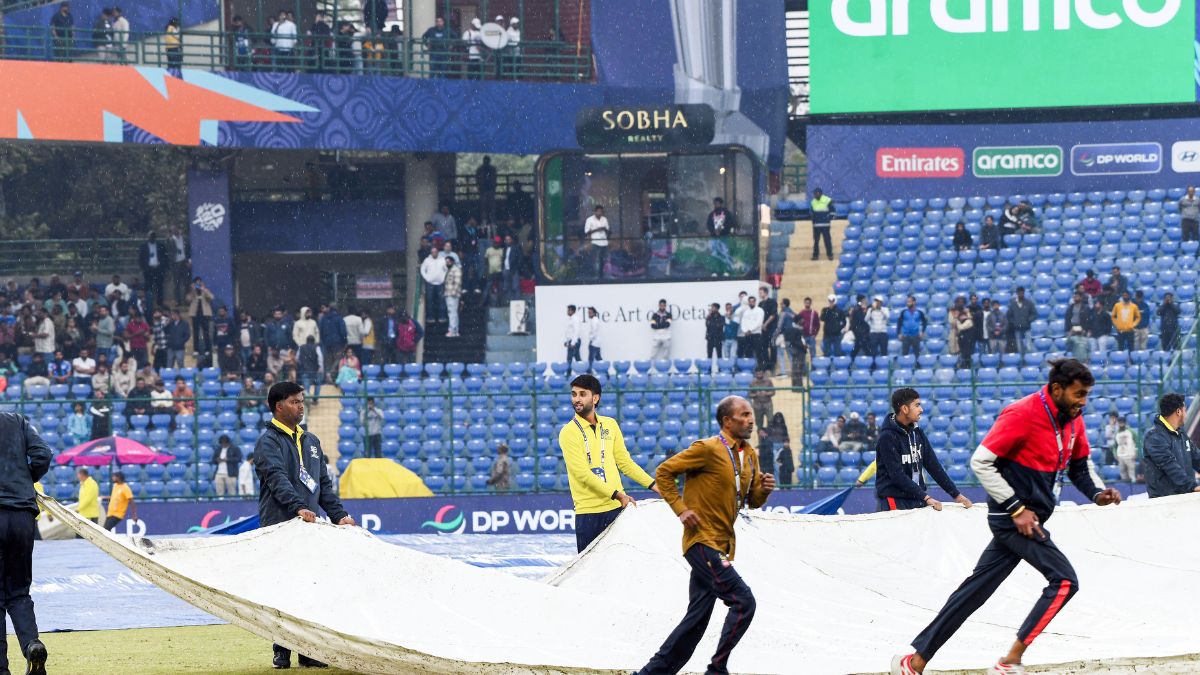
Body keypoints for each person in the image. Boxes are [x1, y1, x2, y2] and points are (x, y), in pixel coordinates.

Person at [890, 359, 1122, 675]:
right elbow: (981, 462)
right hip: (1012, 520)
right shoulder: (1022, 413)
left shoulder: (1073, 419)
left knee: (973, 592)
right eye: (1078, 394)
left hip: (1029, 519)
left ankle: (914, 662)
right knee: (1065, 581)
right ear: (1057, 389)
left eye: (1086, 395)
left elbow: (1080, 467)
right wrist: (1017, 509)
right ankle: (1010, 661)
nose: (1083, 402)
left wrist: (1097, 493)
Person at [638, 395, 774, 675]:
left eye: (751, 414)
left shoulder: (750, 455)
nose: (751, 420)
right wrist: (681, 510)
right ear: (727, 421)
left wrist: (764, 490)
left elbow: (751, 501)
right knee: (743, 601)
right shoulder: (708, 449)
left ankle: (651, 673)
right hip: (701, 541)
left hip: (721, 545)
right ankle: (717, 669)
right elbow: (664, 472)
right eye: (744, 415)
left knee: (696, 620)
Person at [255, 381, 355, 669]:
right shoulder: (268, 442)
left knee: (312, 588)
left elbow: (323, 485)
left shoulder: (311, 441)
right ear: (278, 406)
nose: (301, 406)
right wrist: (297, 506)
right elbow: (276, 479)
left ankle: (310, 650)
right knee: (284, 588)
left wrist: (339, 515)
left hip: (310, 529)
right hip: (280, 526)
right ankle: (282, 649)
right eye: (295, 401)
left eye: (302, 401)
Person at [557, 374, 658, 553]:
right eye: (574, 394)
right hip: (589, 513)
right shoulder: (568, 432)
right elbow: (582, 474)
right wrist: (618, 495)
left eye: (582, 394)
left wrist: (654, 485)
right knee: (590, 568)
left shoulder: (610, 425)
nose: (576, 399)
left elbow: (625, 463)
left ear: (595, 398)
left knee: (623, 564)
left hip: (616, 509)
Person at [0, 410, 50, 675]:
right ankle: (32, 645)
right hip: (22, 514)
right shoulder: (17, 420)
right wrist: (24, 479)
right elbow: (43, 455)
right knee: (19, 591)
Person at [874, 388, 973, 512]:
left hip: (917, 499)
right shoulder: (887, 437)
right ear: (905, 409)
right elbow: (897, 475)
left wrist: (956, 495)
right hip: (895, 500)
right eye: (917, 405)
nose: (921, 409)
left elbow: (934, 466)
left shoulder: (918, 433)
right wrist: (926, 498)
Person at [1142, 393, 1200, 498]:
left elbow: (1197, 458)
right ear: (1178, 412)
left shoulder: (1181, 434)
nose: (1186, 413)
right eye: (1185, 410)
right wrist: (1192, 487)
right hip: (1164, 501)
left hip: (1186, 497)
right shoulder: (1154, 437)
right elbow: (1170, 466)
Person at [896, 296, 927, 365]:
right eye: (907, 302)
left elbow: (925, 322)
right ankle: (905, 367)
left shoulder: (919, 312)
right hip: (905, 336)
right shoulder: (903, 312)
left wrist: (922, 331)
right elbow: (899, 323)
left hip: (916, 336)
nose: (907, 303)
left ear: (914, 302)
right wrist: (899, 333)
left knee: (917, 354)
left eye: (909, 302)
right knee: (905, 354)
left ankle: (918, 367)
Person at [1005, 287, 1035, 354]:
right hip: (1017, 328)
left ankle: (1029, 357)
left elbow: (1034, 314)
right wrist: (1014, 322)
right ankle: (1021, 358)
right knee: (1019, 346)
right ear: (1017, 294)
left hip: (1027, 327)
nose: (1021, 294)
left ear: (1024, 293)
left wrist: (1028, 320)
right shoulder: (1013, 304)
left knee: (1029, 345)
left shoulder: (1029, 303)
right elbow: (1008, 316)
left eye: (1022, 293)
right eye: (1019, 293)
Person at [584, 205, 611, 278]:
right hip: (595, 242)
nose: (600, 213)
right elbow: (586, 232)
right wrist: (598, 229)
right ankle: (595, 277)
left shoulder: (604, 219)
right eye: (598, 211)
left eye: (601, 211)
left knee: (605, 260)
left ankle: (603, 276)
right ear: (595, 212)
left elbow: (608, 230)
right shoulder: (589, 220)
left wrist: (605, 229)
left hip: (604, 243)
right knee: (595, 260)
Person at [810, 187, 833, 260]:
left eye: (817, 193)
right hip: (816, 225)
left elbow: (832, 211)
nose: (816, 195)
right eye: (815, 194)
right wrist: (813, 221)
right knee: (816, 241)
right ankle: (815, 256)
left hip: (825, 225)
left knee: (827, 240)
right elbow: (811, 213)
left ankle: (830, 255)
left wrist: (828, 218)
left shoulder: (827, 200)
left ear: (820, 193)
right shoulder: (813, 202)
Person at [1113, 417, 1137, 482]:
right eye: (1119, 423)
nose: (1121, 424)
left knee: (1132, 474)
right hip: (1120, 456)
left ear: (1125, 423)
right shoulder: (1116, 433)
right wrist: (1115, 454)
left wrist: (1136, 452)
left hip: (1130, 455)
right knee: (1123, 474)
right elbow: (1114, 446)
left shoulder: (1131, 431)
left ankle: (1134, 486)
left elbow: (1137, 442)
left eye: (1122, 423)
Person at [444, 256, 463, 338]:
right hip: (448, 293)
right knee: (453, 312)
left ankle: (452, 330)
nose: (447, 263)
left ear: (452, 262)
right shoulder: (449, 270)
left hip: (452, 294)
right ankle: (455, 330)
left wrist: (453, 293)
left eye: (448, 262)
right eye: (446, 262)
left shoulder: (456, 270)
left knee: (452, 313)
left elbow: (457, 282)